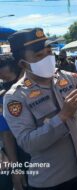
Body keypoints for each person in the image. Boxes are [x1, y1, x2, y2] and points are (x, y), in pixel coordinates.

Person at [3, 28, 77, 190]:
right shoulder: (15, 96)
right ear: (23, 64)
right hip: (52, 181)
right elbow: (28, 143)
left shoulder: (64, 77)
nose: (48, 58)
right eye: (39, 55)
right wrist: (63, 116)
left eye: (49, 51)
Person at [0, 55, 30, 190]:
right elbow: (6, 133)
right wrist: (16, 168)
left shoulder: (37, 89)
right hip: (20, 154)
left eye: (6, 79)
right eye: (2, 80)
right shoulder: (4, 98)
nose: (4, 84)